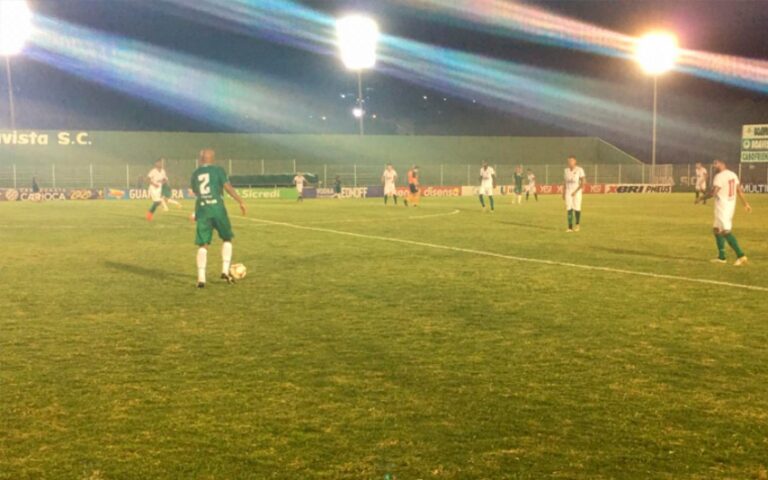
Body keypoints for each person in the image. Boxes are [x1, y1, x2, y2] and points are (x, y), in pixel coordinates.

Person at [191, 149, 247, 288]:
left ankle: (201, 279)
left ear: (201, 159)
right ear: (213, 159)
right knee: (227, 238)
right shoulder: (218, 170)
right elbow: (227, 187)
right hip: (218, 209)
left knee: (203, 244)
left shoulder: (195, 173)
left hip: (203, 210)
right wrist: (240, 200)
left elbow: (196, 191)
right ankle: (224, 271)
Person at [696, 158, 751, 266]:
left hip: (723, 206)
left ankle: (741, 255)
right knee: (716, 229)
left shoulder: (719, 176)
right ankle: (722, 257)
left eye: (716, 163)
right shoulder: (733, 174)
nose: (714, 166)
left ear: (722, 163)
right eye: (713, 164)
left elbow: (713, 193)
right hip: (730, 205)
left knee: (725, 231)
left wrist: (701, 198)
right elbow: (739, 190)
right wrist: (745, 203)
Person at [563, 156, 585, 232]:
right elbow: (565, 182)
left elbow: (583, 182)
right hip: (568, 192)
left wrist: (575, 191)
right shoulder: (566, 170)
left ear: (575, 161)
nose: (570, 162)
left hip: (577, 191)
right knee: (569, 208)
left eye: (571, 161)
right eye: (569, 161)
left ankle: (577, 225)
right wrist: (563, 192)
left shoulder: (580, 170)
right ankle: (570, 227)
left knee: (577, 208)